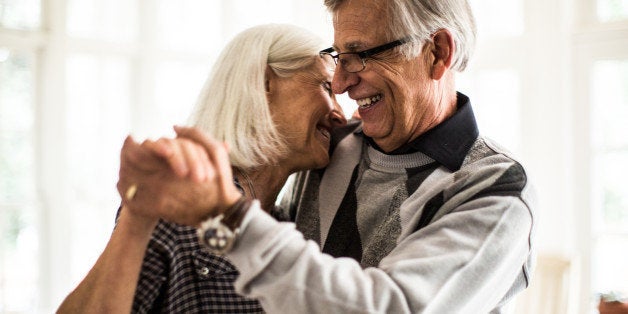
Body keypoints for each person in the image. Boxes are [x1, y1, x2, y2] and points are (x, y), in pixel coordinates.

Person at [114, 0, 537, 312]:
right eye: (338, 58)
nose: (339, 84)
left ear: (438, 52)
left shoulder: (495, 188)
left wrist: (229, 219)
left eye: (362, 55)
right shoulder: (333, 147)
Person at [56, 23, 347, 313]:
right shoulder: (180, 203)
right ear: (264, 82)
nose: (340, 116)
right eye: (326, 87)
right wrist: (137, 216)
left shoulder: (286, 228)